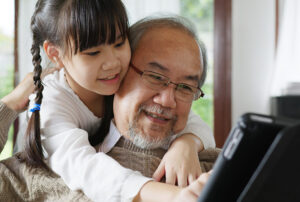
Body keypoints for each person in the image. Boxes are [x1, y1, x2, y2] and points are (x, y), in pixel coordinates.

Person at [0, 15, 218, 202]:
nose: (167, 101)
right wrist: (8, 105)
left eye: (185, 87)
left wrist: (187, 143)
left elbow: (195, 123)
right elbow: (84, 167)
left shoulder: (211, 170)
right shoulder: (43, 166)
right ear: (119, 74)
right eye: (155, 77)